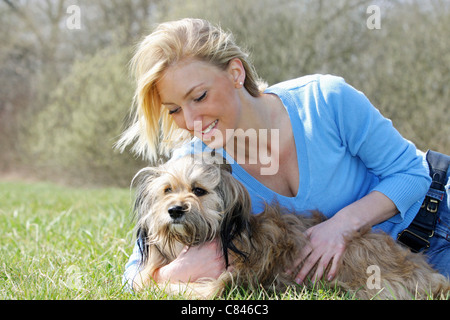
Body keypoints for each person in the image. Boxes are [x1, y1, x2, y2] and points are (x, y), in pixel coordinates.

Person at [118, 18, 450, 291]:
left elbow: (412, 174)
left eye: (200, 96)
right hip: (376, 273)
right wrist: (172, 274)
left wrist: (341, 226)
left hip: (437, 216)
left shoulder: (324, 101)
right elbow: (135, 272)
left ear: (236, 73)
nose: (191, 122)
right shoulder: (195, 164)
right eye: (174, 109)